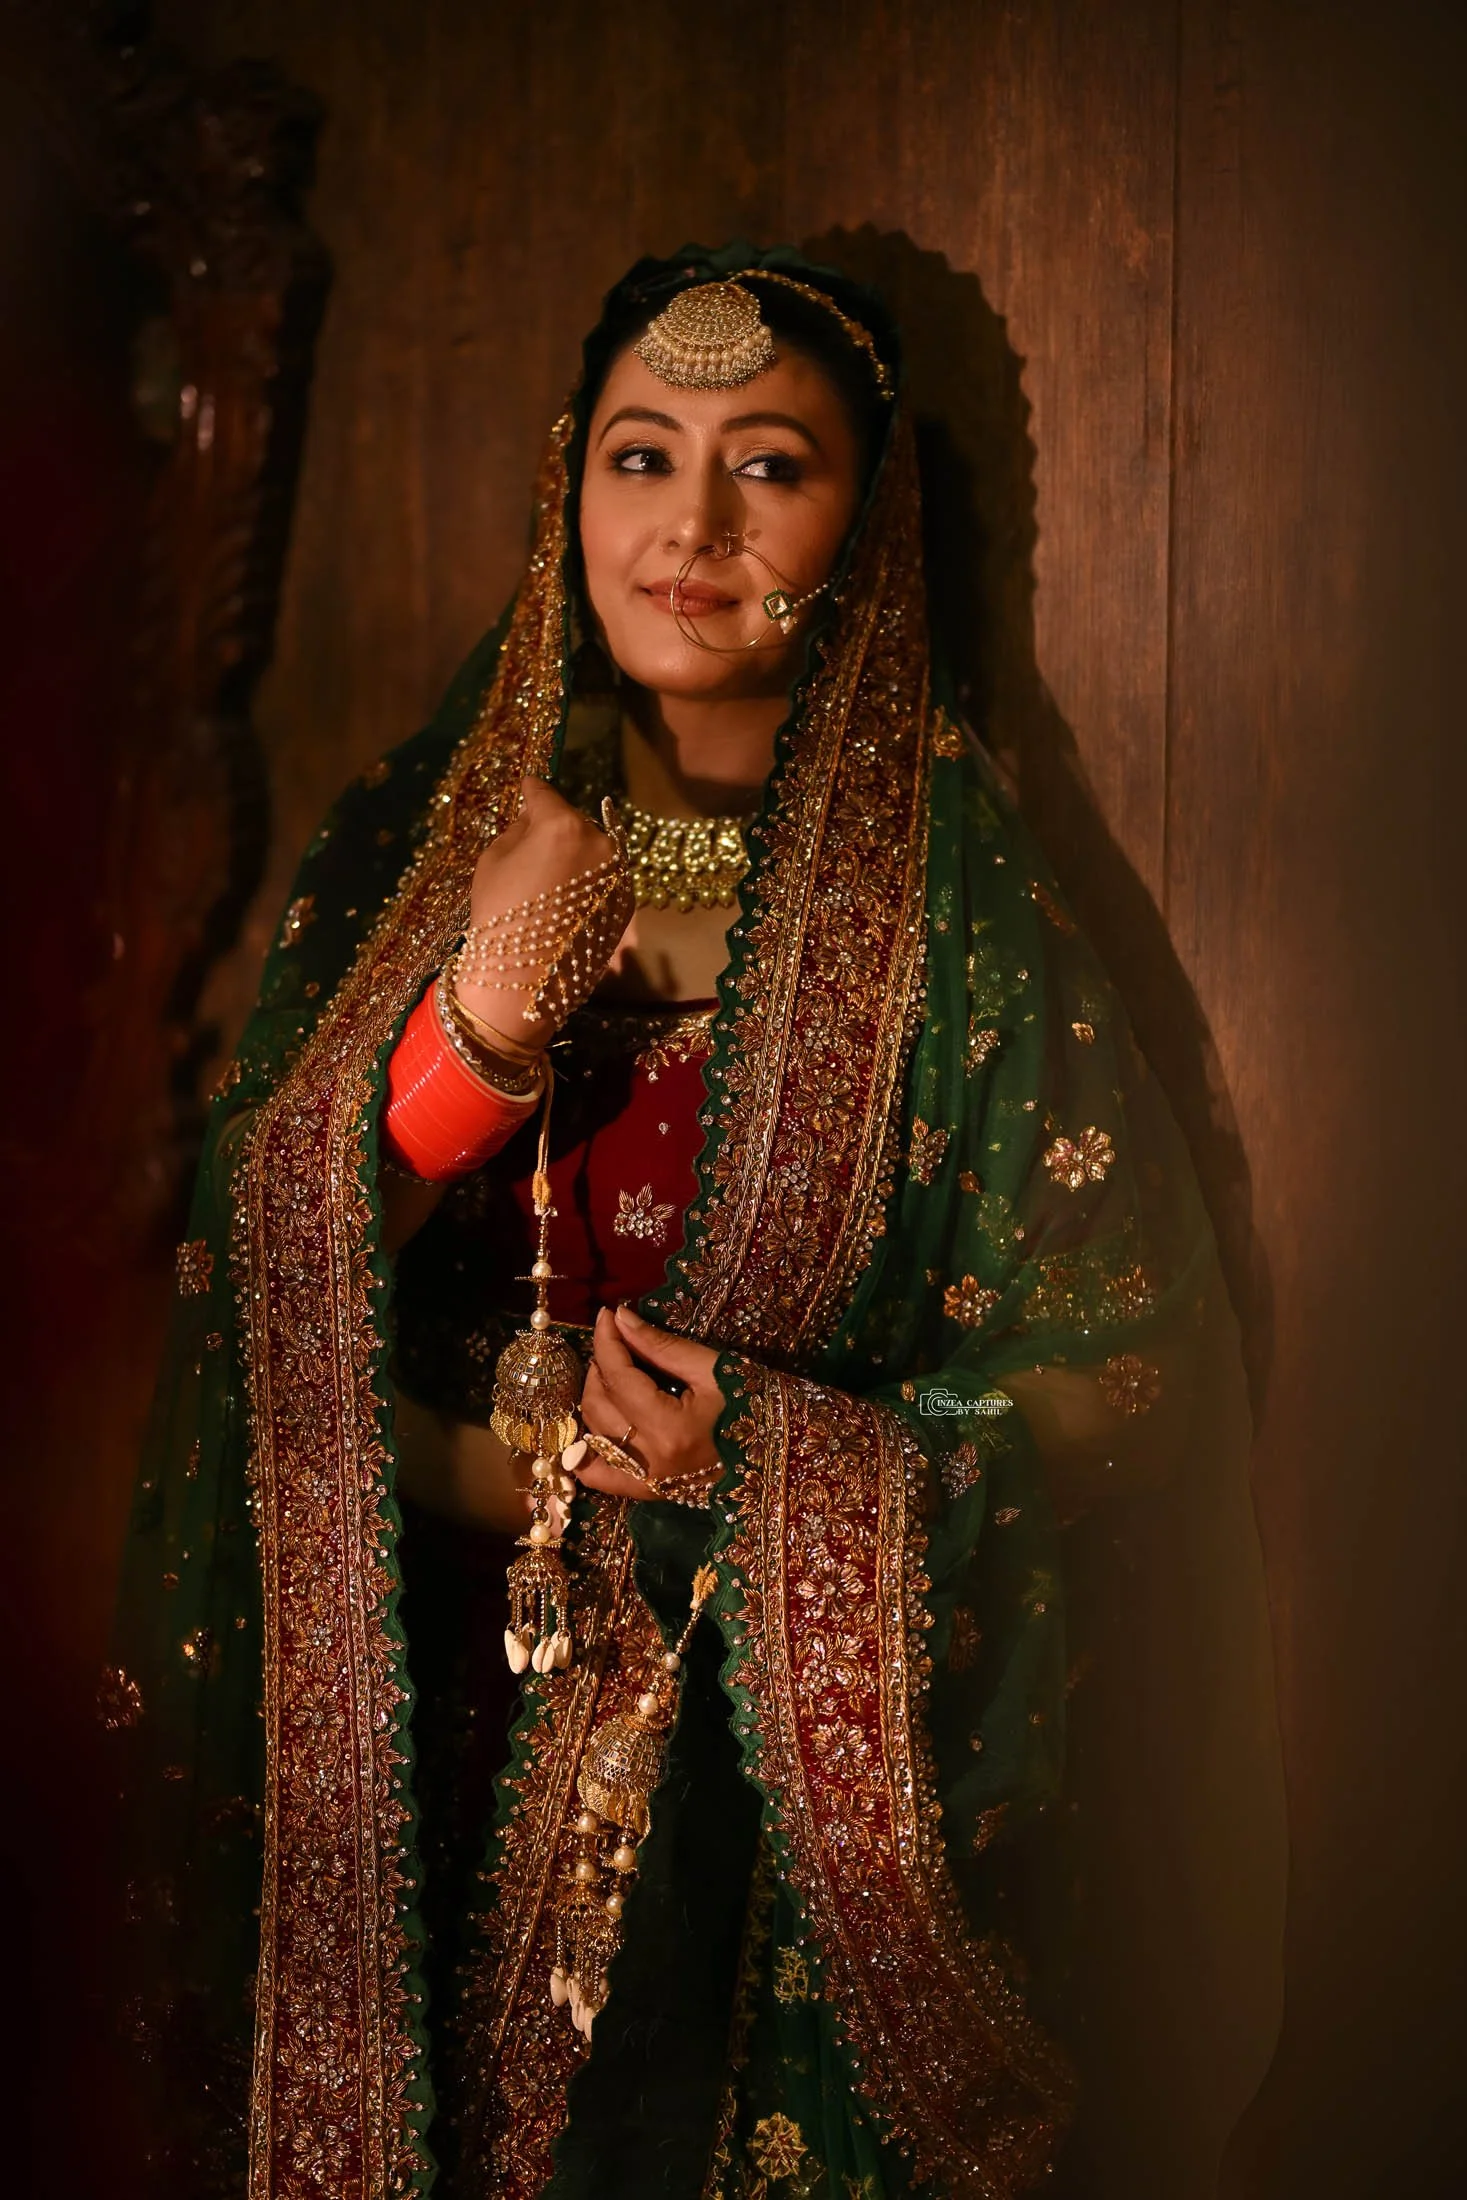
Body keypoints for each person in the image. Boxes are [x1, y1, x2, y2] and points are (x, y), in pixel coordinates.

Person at [103, 243, 1279, 2199]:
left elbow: (1135, 1371)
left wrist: (788, 1462)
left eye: (772, 466)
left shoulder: (961, 929)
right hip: (421, 1760)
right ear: (567, 490)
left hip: (769, 1820)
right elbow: (261, 1286)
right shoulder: (427, 847)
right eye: (642, 458)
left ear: (869, 528)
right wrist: (479, 1030)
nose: (693, 527)